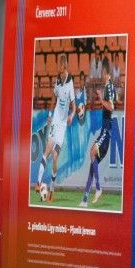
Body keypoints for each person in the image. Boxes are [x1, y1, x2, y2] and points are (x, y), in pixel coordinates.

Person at [35, 54, 75, 201]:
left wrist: (72, 115)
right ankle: (38, 183)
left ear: (64, 66)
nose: (58, 68)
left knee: (55, 156)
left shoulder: (70, 82)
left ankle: (51, 188)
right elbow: (54, 97)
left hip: (63, 125)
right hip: (55, 122)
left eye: (59, 65)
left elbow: (74, 105)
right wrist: (51, 114)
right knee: (47, 149)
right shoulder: (57, 81)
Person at [79, 57, 115, 207]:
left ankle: (99, 188)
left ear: (106, 72)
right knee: (92, 164)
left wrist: (101, 99)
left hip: (106, 131)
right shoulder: (107, 86)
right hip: (104, 131)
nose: (101, 74)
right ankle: (85, 200)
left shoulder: (109, 87)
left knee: (92, 152)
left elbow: (111, 107)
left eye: (102, 72)